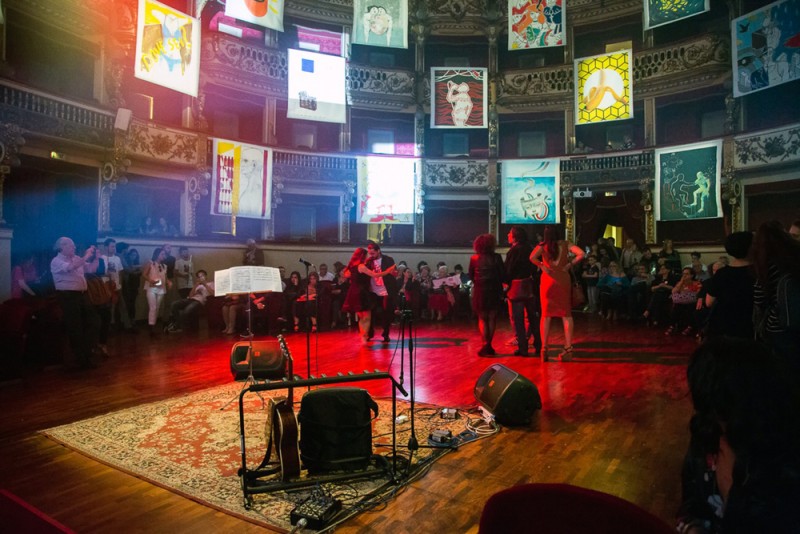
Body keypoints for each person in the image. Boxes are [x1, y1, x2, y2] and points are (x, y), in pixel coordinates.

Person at [677, 338, 800, 533]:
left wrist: (733, 494)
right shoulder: (706, 435)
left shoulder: (779, 462)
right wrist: (692, 527)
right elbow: (691, 504)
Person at [530, 226, 585, 361]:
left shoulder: (542, 246)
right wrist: (569, 264)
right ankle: (568, 347)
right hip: (562, 279)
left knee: (546, 315)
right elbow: (581, 254)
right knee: (566, 315)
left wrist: (542, 266)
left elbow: (531, 257)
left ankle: (544, 348)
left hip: (548, 280)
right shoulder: (566, 244)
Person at [752, 221, 800, 369]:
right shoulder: (793, 259)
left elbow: (760, 299)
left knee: (784, 369)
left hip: (779, 325)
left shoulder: (768, 264)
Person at [49, 237, 100, 369]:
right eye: (72, 246)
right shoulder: (56, 261)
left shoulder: (77, 258)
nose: (74, 248)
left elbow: (91, 270)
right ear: (62, 247)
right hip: (68, 297)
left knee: (94, 322)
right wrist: (86, 256)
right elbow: (70, 268)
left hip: (81, 296)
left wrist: (95, 258)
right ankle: (82, 359)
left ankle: (86, 353)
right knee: (75, 328)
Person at [704, 232, 754, 339]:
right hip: (751, 324)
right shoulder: (759, 272)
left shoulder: (721, 273)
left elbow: (709, 302)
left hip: (725, 323)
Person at [342, 247, 394, 342]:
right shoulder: (361, 266)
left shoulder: (352, 267)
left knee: (361, 317)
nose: (368, 256)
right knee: (367, 317)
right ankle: (364, 337)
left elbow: (345, 275)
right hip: (362, 292)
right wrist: (388, 271)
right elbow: (375, 275)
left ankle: (363, 336)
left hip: (353, 291)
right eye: (366, 255)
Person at [504, 226, 541, 357]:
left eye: (510, 233)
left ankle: (523, 348)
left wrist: (506, 286)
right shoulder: (530, 248)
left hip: (516, 287)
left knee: (518, 318)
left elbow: (508, 271)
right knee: (533, 317)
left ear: (515, 236)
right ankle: (538, 345)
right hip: (529, 285)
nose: (508, 235)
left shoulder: (513, 251)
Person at [469, 233, 506, 356]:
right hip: (494, 290)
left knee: (482, 318)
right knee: (491, 318)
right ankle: (489, 345)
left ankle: (485, 344)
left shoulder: (474, 258)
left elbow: (471, 275)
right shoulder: (497, 257)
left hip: (480, 290)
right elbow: (502, 275)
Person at [365, 242, 398, 342]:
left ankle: (386, 334)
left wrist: (394, 273)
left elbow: (394, 274)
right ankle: (369, 334)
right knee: (371, 313)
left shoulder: (388, 259)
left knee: (386, 313)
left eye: (373, 253)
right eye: (370, 253)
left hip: (384, 291)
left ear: (378, 251)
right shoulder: (368, 262)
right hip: (373, 291)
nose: (371, 255)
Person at [142, 247, 170, 336]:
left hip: (161, 288)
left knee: (157, 307)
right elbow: (144, 274)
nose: (163, 256)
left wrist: (168, 282)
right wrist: (151, 280)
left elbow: (165, 277)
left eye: (164, 254)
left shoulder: (164, 266)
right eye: (162, 254)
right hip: (151, 288)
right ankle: (151, 328)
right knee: (153, 307)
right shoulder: (151, 263)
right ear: (157, 254)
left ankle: (153, 325)